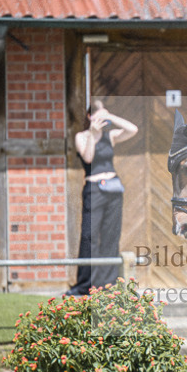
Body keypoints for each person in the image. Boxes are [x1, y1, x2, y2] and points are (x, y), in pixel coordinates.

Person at [66, 100, 138, 296]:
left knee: (110, 236)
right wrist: (93, 133)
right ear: (90, 117)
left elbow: (133, 129)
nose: (102, 121)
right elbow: (88, 158)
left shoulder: (110, 136)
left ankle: (108, 284)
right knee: (89, 237)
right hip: (94, 189)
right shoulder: (82, 137)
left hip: (113, 189)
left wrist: (110, 117)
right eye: (99, 116)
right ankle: (84, 284)